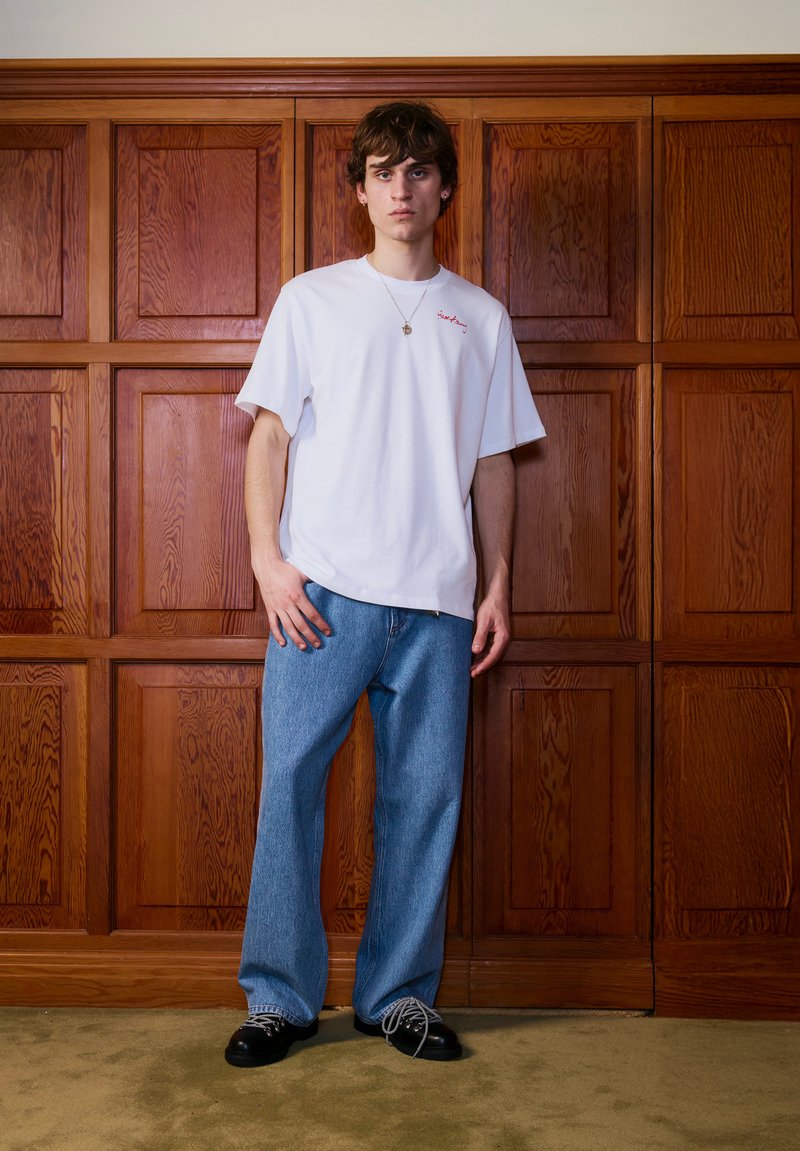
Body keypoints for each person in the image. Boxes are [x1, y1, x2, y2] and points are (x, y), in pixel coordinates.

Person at [224, 101, 545, 1068]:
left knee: (424, 797)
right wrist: (267, 561)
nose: (400, 188)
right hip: (320, 595)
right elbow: (269, 436)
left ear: (444, 188)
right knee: (289, 786)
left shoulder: (481, 317)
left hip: (440, 602)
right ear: (360, 192)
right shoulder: (311, 299)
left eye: (417, 170)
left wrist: (497, 583)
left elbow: (493, 460)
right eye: (381, 171)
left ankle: (396, 996)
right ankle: (277, 999)